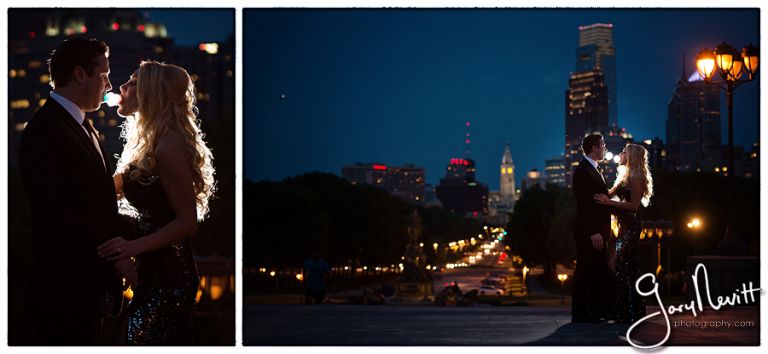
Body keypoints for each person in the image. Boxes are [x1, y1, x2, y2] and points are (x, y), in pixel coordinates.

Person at [18, 37, 136, 345]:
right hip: (63, 290)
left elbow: (98, 204)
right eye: (104, 74)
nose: (109, 85)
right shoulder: (46, 129)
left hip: (86, 290)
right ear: (80, 75)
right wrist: (116, 255)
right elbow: (58, 213)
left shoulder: (83, 127)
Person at [96, 61, 216, 344]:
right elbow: (104, 192)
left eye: (133, 82)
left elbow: (187, 222)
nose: (122, 87)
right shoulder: (148, 143)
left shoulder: (169, 146)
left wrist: (130, 247)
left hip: (171, 277)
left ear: (152, 92)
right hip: (150, 272)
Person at [594, 143, 652, 323]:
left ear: (632, 155)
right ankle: (631, 311)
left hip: (631, 227)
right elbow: (607, 195)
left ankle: (627, 311)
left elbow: (634, 206)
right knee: (627, 267)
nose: (621, 154)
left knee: (618, 265)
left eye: (624, 152)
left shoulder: (636, 176)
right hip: (623, 226)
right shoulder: (625, 175)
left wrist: (608, 203)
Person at [570, 133, 611, 323]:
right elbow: (584, 206)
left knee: (598, 273)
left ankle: (597, 312)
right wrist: (593, 231)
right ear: (594, 148)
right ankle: (580, 313)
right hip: (590, 233)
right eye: (603, 144)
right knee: (585, 272)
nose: (605, 148)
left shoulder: (593, 169)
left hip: (599, 232)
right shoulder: (583, 171)